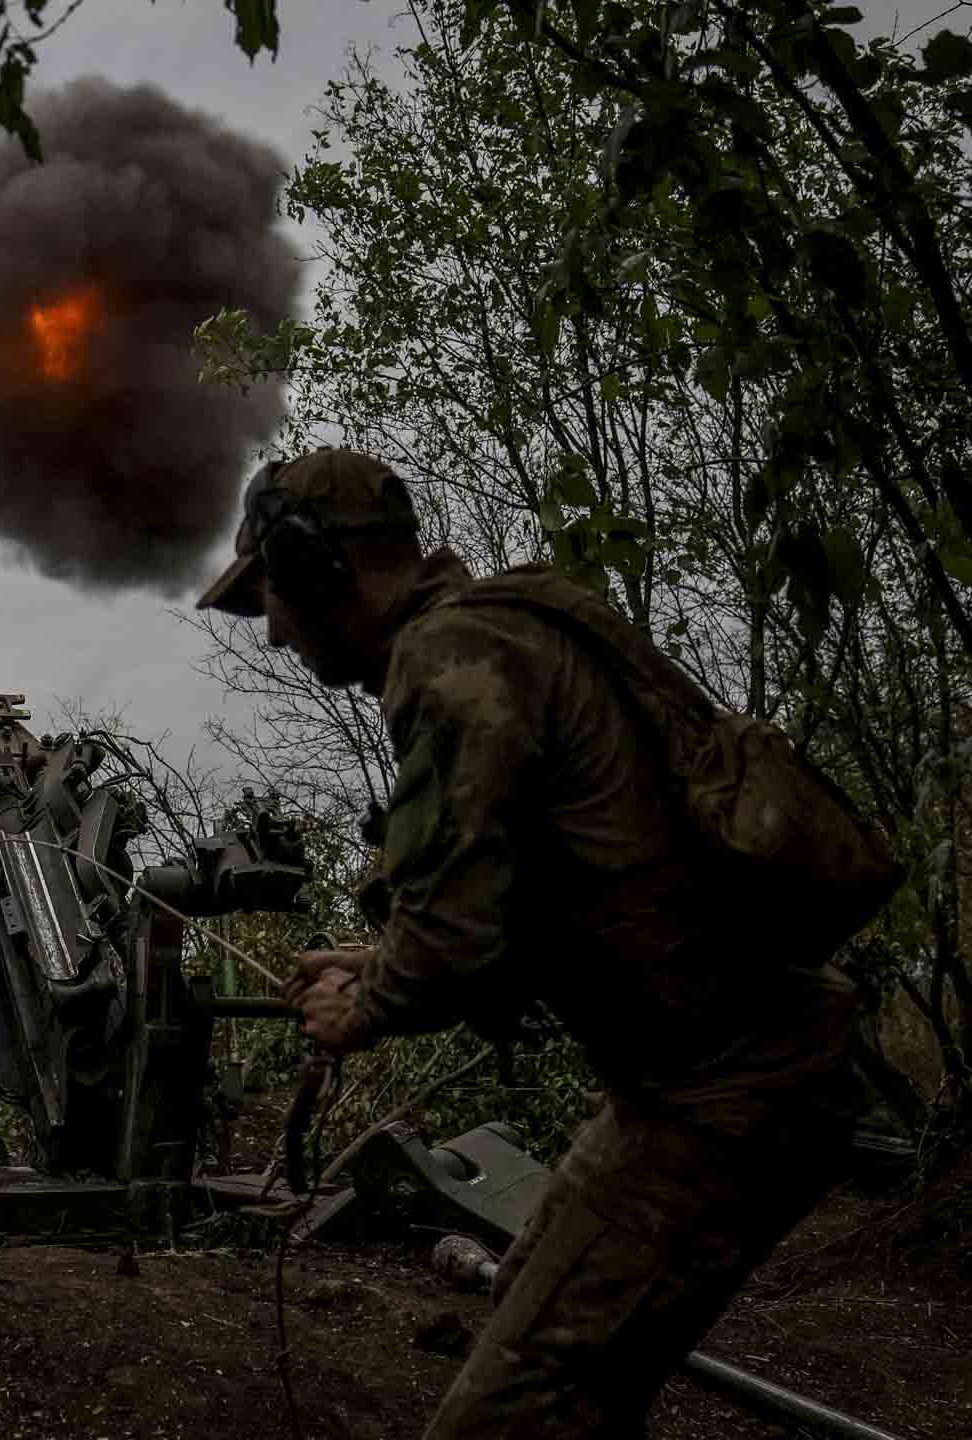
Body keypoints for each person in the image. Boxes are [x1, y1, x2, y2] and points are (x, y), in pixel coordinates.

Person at [198, 450, 865, 1439]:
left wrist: (366, 1004)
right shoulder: (506, 628)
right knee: (534, 1335)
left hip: (727, 1090)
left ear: (314, 567)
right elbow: (538, 897)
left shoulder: (449, 663)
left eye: (273, 601)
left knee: (511, 1413)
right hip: (705, 1077)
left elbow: (452, 945)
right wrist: (379, 961)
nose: (277, 633)